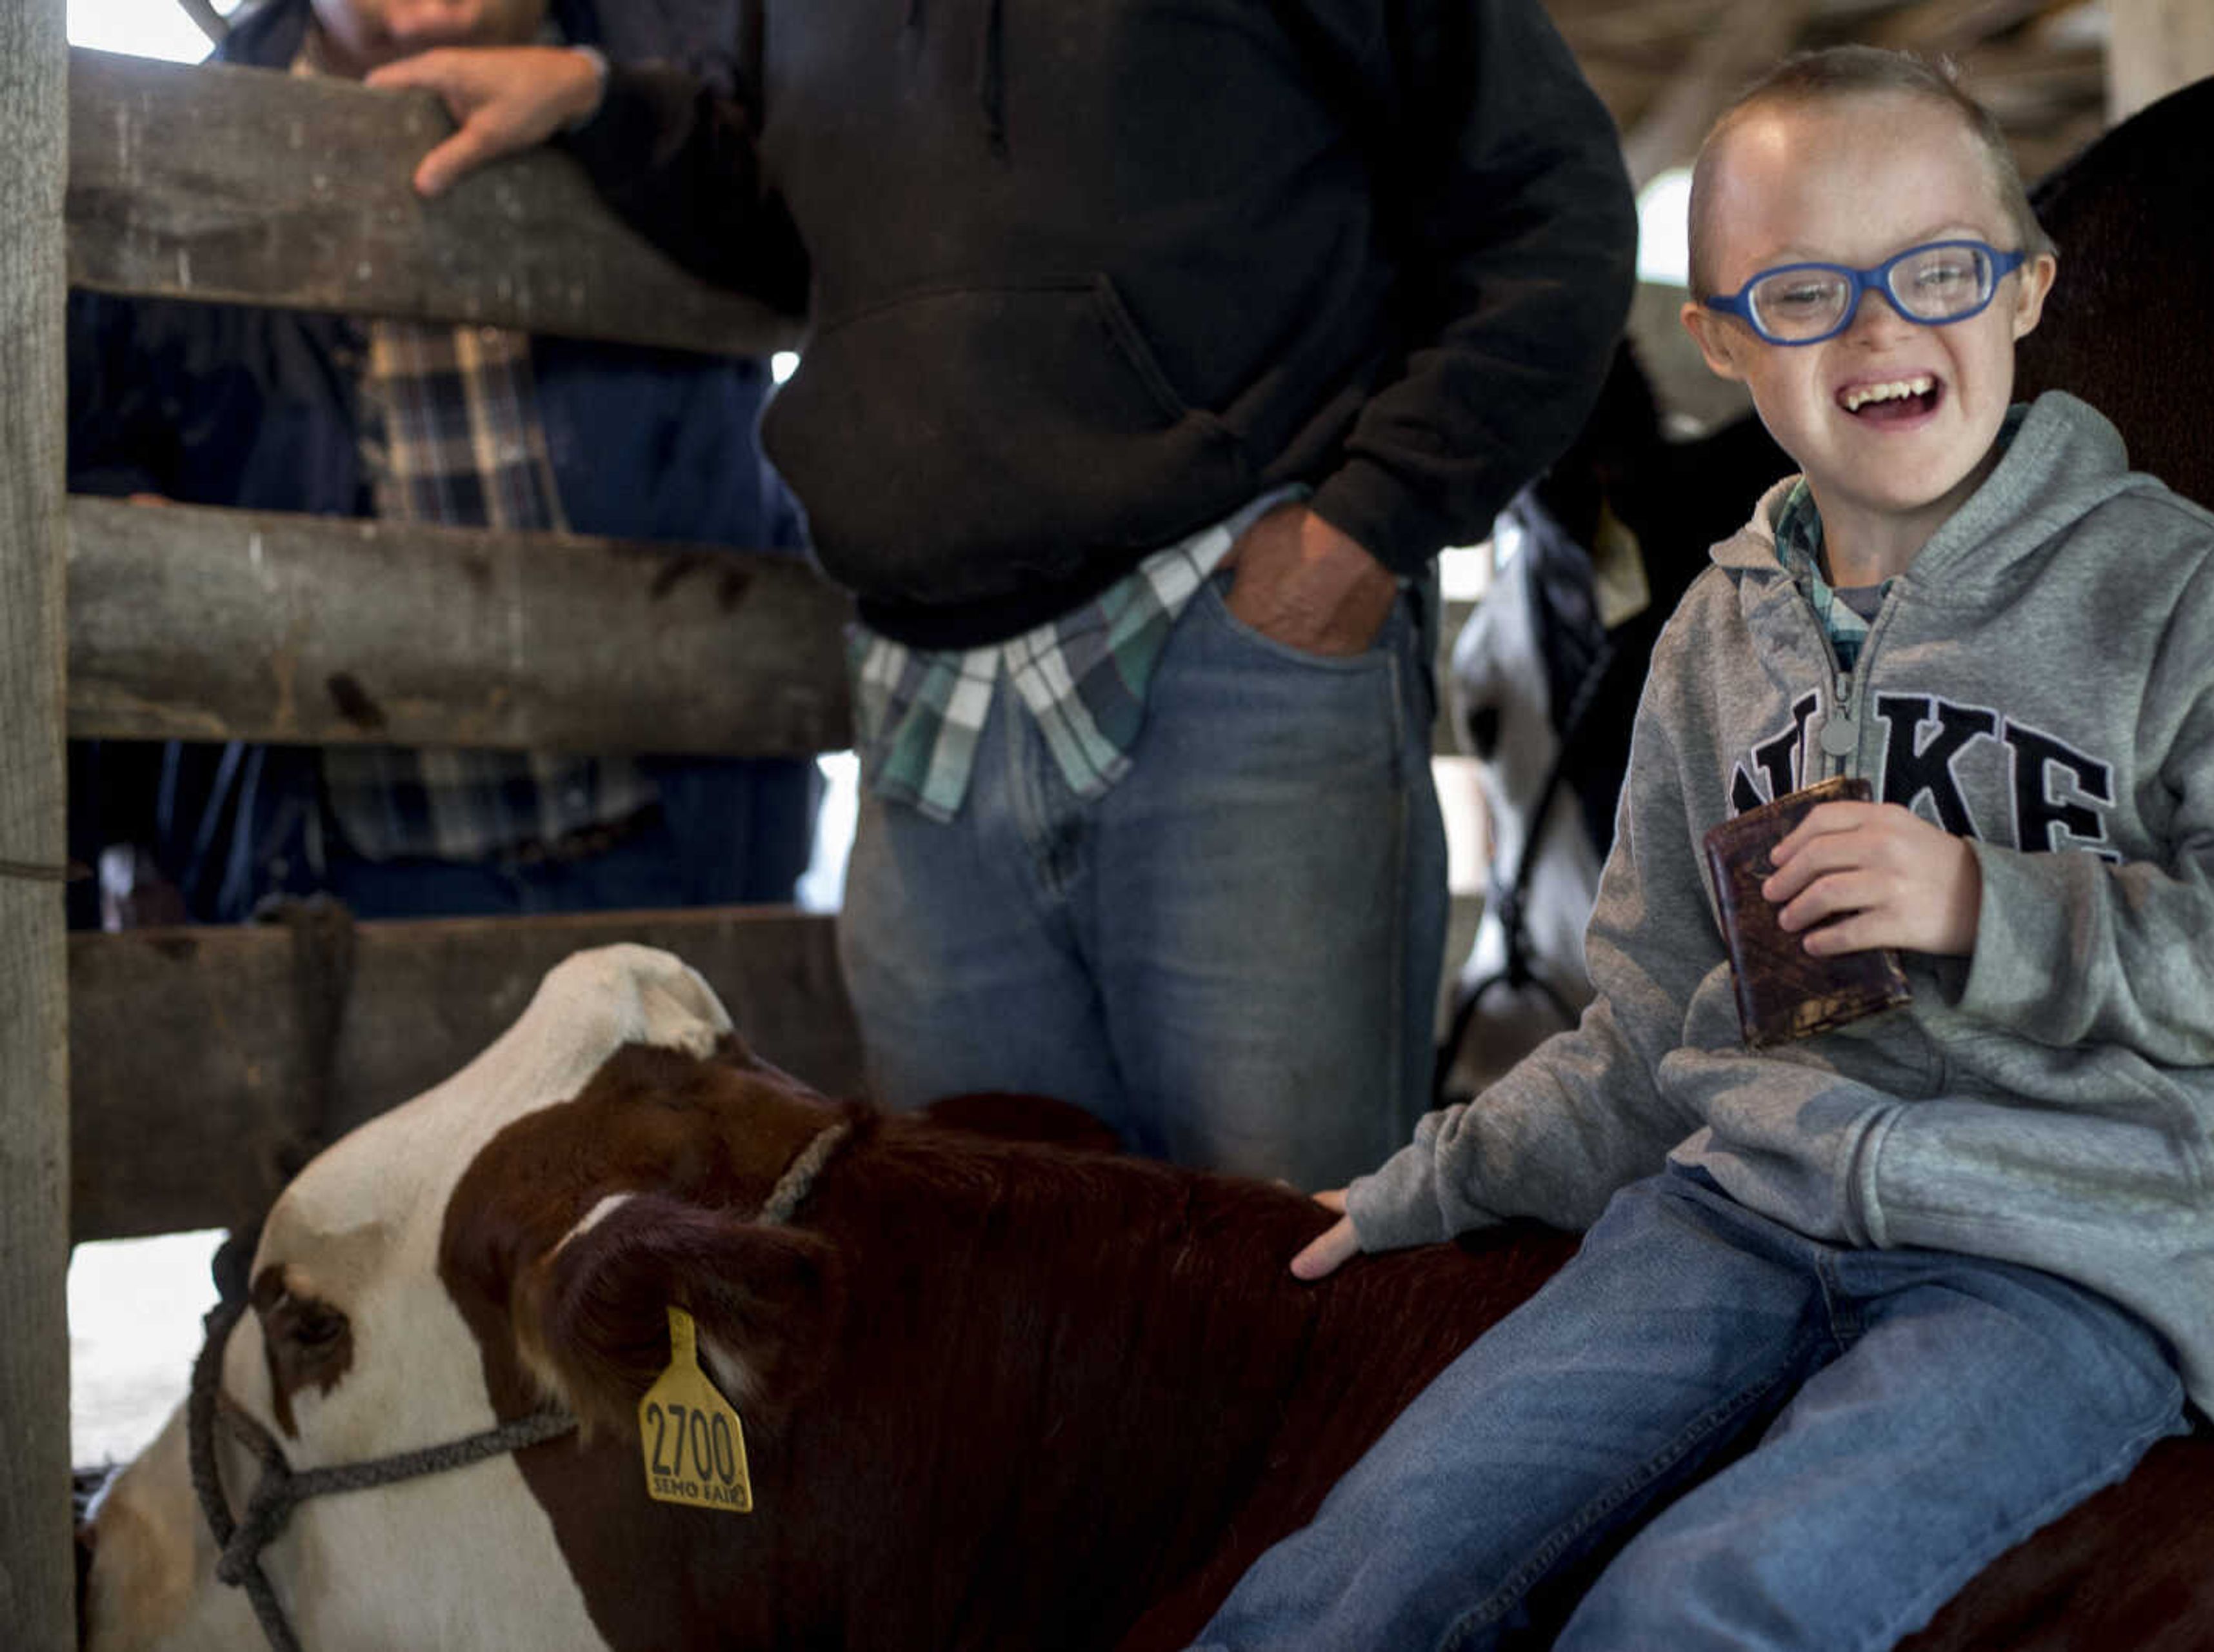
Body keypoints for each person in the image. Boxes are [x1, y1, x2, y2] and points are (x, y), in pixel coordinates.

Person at [1190, 46, 2214, 1651]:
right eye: (1801, 294)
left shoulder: (2189, 604)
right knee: (1359, 1571)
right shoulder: (1718, 641)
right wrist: (1438, 1181)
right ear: (1719, 340)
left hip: (2063, 1265)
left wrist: (1993, 906)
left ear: (2028, 291)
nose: (1878, 329)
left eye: (1934, 271)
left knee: (1700, 1610)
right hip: (1734, 1222)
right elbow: (1650, 1029)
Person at [363, 0, 1641, 1188]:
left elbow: (1551, 198)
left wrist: (1364, 534)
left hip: (1230, 651)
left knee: (1287, 1271)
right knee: (1000, 1292)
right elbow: (789, 217)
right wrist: (598, 101)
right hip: (927, 710)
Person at [66, 0, 819, 929]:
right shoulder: (161, 136)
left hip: (683, 849)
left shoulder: (696, 89)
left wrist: (604, 101)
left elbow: (834, 253)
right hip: (343, 883)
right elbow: (83, 445)